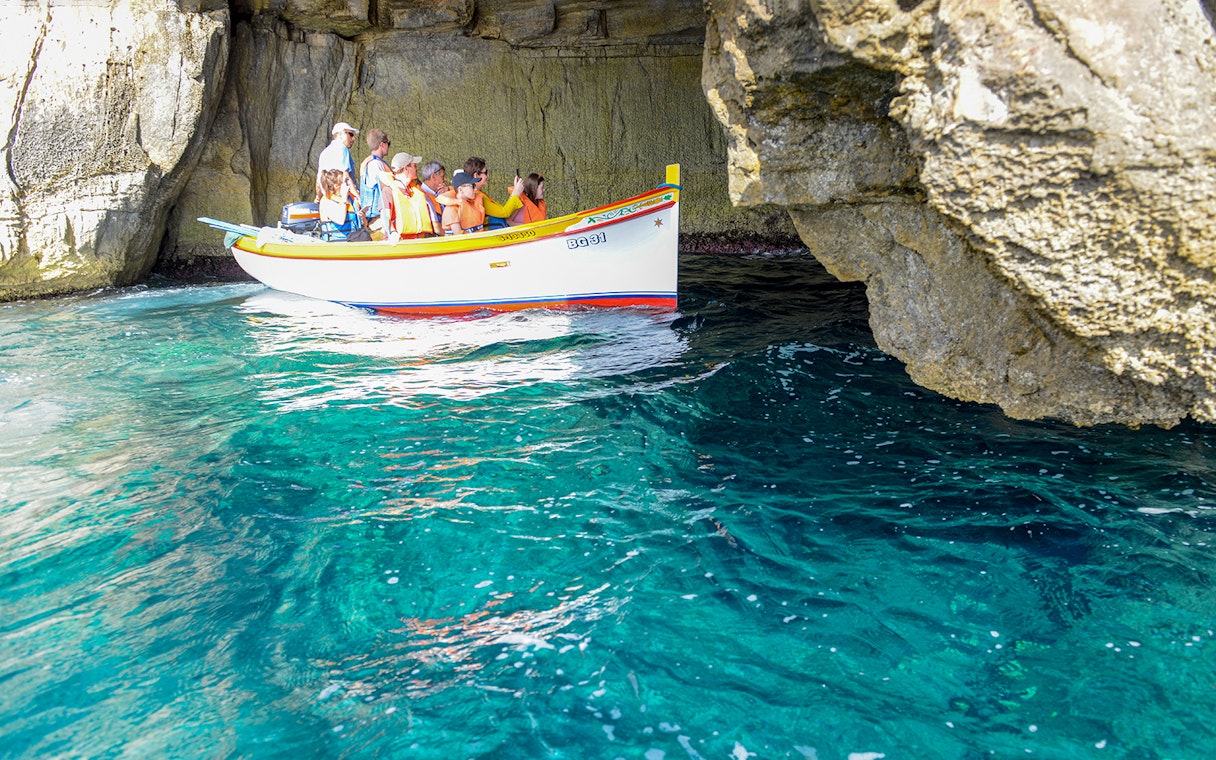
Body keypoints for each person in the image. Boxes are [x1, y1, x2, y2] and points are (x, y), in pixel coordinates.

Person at [381, 151, 432, 239]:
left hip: (415, 241)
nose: (417, 168)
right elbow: (385, 217)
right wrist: (393, 233)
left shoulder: (413, 190)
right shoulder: (388, 191)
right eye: (414, 166)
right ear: (406, 168)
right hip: (398, 243)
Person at [462, 157, 523, 229]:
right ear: (476, 175)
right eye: (485, 172)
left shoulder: (478, 193)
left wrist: (515, 192)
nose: (488, 175)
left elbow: (502, 211)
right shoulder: (478, 196)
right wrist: (516, 193)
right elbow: (504, 212)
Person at [315, 122, 360, 206]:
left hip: (330, 200)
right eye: (351, 134)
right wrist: (360, 199)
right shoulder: (343, 149)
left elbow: (318, 182)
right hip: (345, 200)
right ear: (340, 135)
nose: (353, 138)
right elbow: (347, 179)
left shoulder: (324, 153)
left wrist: (318, 198)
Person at [359, 129, 391, 237]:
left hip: (375, 219)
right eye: (388, 143)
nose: (389, 146)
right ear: (382, 144)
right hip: (378, 220)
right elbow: (385, 187)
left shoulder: (369, 163)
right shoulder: (375, 164)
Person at [318, 168, 359, 240]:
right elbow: (340, 220)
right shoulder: (327, 201)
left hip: (353, 239)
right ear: (336, 186)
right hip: (336, 243)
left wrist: (362, 217)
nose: (348, 184)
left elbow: (361, 225)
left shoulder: (350, 199)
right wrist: (344, 199)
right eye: (345, 182)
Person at [418, 161, 448, 236]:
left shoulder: (442, 192)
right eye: (442, 176)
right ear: (433, 177)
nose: (445, 179)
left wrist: (448, 193)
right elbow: (436, 228)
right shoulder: (421, 195)